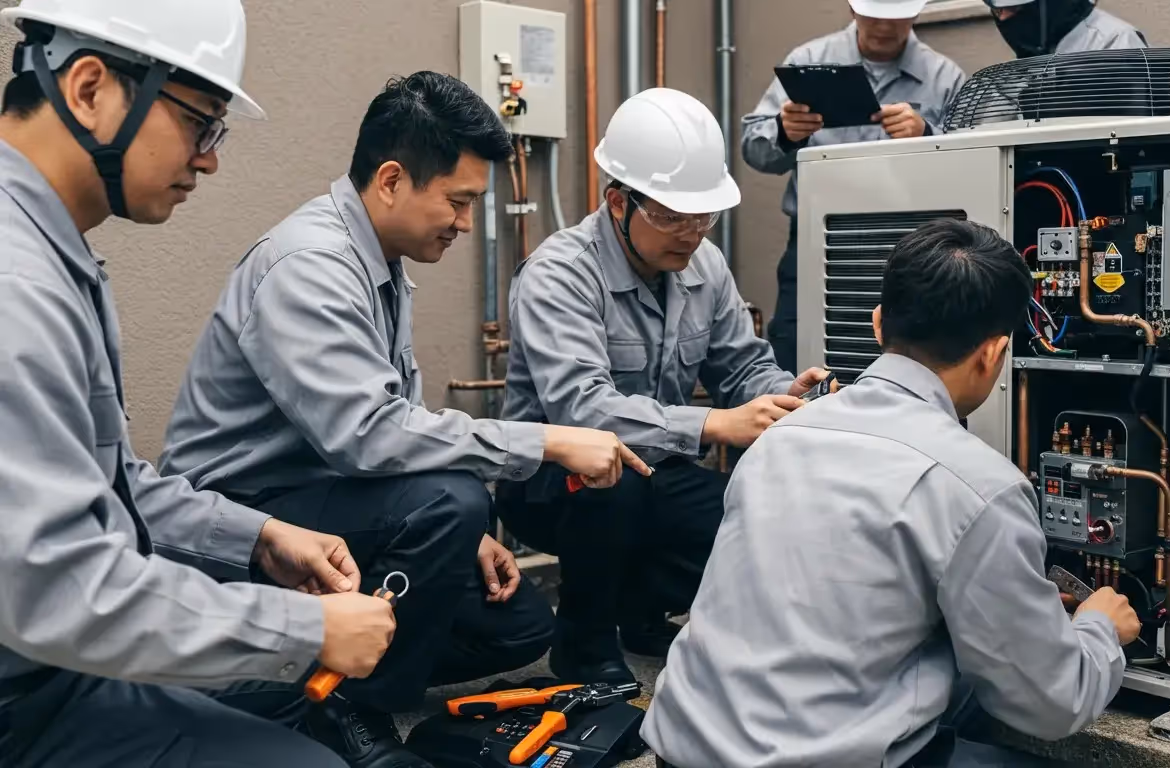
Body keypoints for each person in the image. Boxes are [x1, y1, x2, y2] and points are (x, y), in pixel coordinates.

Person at [158, 71, 649, 766]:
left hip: (326, 505)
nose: (465, 222)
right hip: (248, 524)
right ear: (390, 180)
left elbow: (396, 426)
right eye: (458, 201)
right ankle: (348, 706)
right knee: (452, 500)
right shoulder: (311, 265)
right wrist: (544, 442)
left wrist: (461, 542)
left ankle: (292, 678)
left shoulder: (380, 266)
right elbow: (370, 435)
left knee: (517, 626)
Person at [0, 1, 401, 766]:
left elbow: (107, 482)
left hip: (62, 657)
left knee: (293, 683)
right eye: (199, 123)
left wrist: (260, 539)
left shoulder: (52, 250)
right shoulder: (16, 284)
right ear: (89, 89)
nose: (210, 158)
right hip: (31, 697)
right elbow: (61, 590)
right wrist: (307, 630)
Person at [641, 219, 1141, 768]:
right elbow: (1053, 704)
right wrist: (1099, 629)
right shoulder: (981, 487)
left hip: (681, 748)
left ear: (878, 324)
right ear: (994, 355)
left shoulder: (778, 436)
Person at [497, 87, 830, 685]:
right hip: (550, 477)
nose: (691, 232)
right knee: (610, 483)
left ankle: (639, 610)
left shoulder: (704, 266)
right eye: (672, 216)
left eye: (703, 216)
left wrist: (790, 398)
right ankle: (583, 642)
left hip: (657, 463)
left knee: (746, 517)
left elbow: (741, 367)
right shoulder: (559, 273)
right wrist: (713, 424)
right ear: (617, 201)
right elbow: (583, 411)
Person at [742, 0, 967, 373]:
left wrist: (928, 135)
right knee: (800, 348)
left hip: (912, 245)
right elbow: (753, 147)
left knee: (911, 354)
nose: (883, 26)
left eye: (894, 17)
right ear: (851, 8)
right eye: (873, 14)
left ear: (915, 13)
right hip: (817, 242)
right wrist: (784, 132)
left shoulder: (944, 76)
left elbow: (973, 160)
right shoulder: (808, 60)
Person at [984, 0, 1147, 58]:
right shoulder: (1029, 55)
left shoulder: (1114, 41)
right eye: (997, 11)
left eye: (1015, 9)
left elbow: (1132, 127)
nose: (1003, 18)